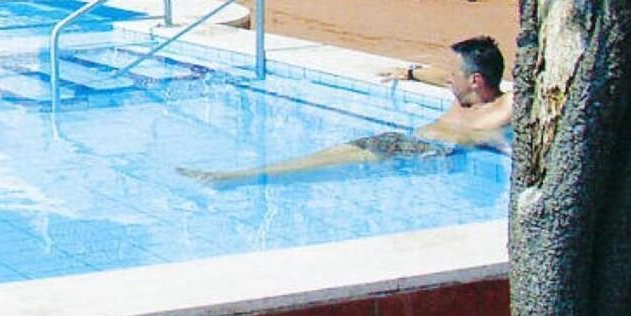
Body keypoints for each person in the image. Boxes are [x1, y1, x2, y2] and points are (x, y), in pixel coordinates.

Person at [182, 36, 513, 186]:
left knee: (324, 165)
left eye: (455, 74)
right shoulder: (464, 95)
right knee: (325, 157)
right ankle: (241, 177)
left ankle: (234, 179)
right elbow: (439, 75)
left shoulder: (500, 110)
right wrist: (411, 73)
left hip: (428, 154)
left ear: (475, 80)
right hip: (401, 143)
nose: (448, 79)